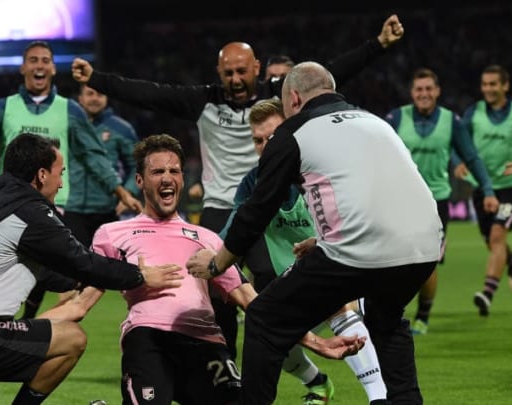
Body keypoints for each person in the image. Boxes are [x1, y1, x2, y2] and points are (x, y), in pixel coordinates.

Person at [71, 15, 406, 358]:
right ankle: (223, 361)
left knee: (264, 282)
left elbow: (329, 76)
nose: (235, 79)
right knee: (215, 292)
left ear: (257, 67)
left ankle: (300, 362)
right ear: (219, 72)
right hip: (219, 208)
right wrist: (98, 79)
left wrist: (377, 45)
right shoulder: (204, 101)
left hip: (262, 202)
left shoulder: (277, 95)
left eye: (241, 71)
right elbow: (149, 93)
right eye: (228, 73)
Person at [187, 62, 442, 405]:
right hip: (425, 248)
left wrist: (217, 264)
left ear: (293, 97)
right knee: (387, 319)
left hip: (359, 251)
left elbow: (255, 212)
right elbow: (370, 194)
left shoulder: (294, 132)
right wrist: (322, 240)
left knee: (264, 318)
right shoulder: (375, 122)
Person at [67, 134, 364, 405]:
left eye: (174, 171)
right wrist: (41, 332)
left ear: (182, 178)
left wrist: (318, 343)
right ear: (140, 180)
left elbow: (252, 302)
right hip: (149, 336)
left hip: (206, 343)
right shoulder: (113, 233)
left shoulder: (207, 239)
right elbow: (83, 300)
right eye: (157, 172)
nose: (167, 178)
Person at [0, 133, 183, 405]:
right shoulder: (29, 213)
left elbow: (48, 271)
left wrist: (78, 283)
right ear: (41, 175)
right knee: (71, 339)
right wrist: (139, 275)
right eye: (59, 173)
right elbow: (83, 263)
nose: (61, 183)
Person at [0, 41, 141, 318]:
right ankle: (14, 326)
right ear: (23, 68)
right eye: (33, 60)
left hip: (51, 206)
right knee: (15, 274)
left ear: (53, 68)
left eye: (45, 60)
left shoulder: (70, 110)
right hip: (5, 206)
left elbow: (94, 155)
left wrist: (119, 190)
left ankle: (31, 326)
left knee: (53, 274)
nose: (39, 65)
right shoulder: (4, 107)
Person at [221, 99, 387, 404]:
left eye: (270, 138)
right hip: (292, 287)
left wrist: (321, 244)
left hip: (341, 274)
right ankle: (318, 384)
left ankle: (378, 398)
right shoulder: (250, 184)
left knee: (338, 304)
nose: (263, 146)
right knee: (265, 328)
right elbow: (231, 234)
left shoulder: (316, 171)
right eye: (257, 140)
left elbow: (357, 224)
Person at [385, 68, 499, 333]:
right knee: (392, 260)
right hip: (400, 201)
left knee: (427, 263)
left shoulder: (452, 121)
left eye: (428, 89)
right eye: (419, 89)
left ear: (437, 91)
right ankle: (390, 313)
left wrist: (489, 191)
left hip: (436, 203)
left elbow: (471, 157)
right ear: (412, 93)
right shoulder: (395, 118)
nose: (424, 94)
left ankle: (423, 317)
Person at [454, 65, 512, 316]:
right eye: (485, 84)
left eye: (493, 84)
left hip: (510, 185)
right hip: (481, 185)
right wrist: (458, 161)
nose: (488, 89)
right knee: (491, 240)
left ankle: (487, 293)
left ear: (505, 86)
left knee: (497, 235)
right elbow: (458, 138)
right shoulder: (474, 112)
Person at [64, 84, 140, 246]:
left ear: (107, 98)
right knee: (74, 268)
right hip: (71, 208)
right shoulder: (67, 125)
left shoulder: (122, 129)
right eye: (90, 94)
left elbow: (138, 165)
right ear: (80, 99)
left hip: (107, 210)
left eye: (100, 94)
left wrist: (128, 193)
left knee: (106, 266)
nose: (95, 98)